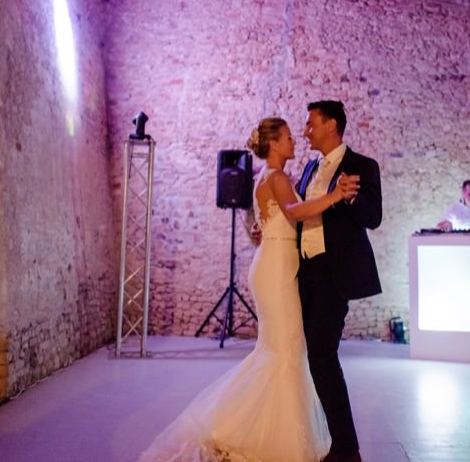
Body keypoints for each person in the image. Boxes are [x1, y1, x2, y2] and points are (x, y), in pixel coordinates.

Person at [137, 117, 359, 462]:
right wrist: (334, 196)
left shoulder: (261, 179)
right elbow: (295, 212)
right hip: (276, 270)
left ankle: (268, 430)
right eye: (287, 137)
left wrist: (261, 232)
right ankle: (260, 435)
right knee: (284, 351)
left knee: (279, 349)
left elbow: (258, 224)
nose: (294, 141)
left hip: (272, 263)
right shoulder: (278, 177)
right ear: (273, 144)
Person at [296, 101, 382, 462]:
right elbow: (301, 214)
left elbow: (373, 218)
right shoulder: (310, 167)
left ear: (331, 125)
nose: (306, 130)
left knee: (321, 354)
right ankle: (327, 439)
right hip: (305, 273)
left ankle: (347, 448)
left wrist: (351, 197)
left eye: (311, 123)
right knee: (311, 355)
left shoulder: (363, 166)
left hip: (336, 273)